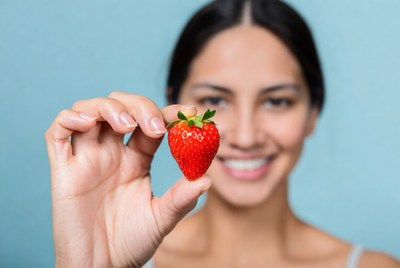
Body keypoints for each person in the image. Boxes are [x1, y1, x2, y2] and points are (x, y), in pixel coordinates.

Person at [45, 0, 400, 267]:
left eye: (276, 101)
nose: (245, 136)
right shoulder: (120, 255)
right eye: (215, 99)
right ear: (174, 105)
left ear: (313, 110)